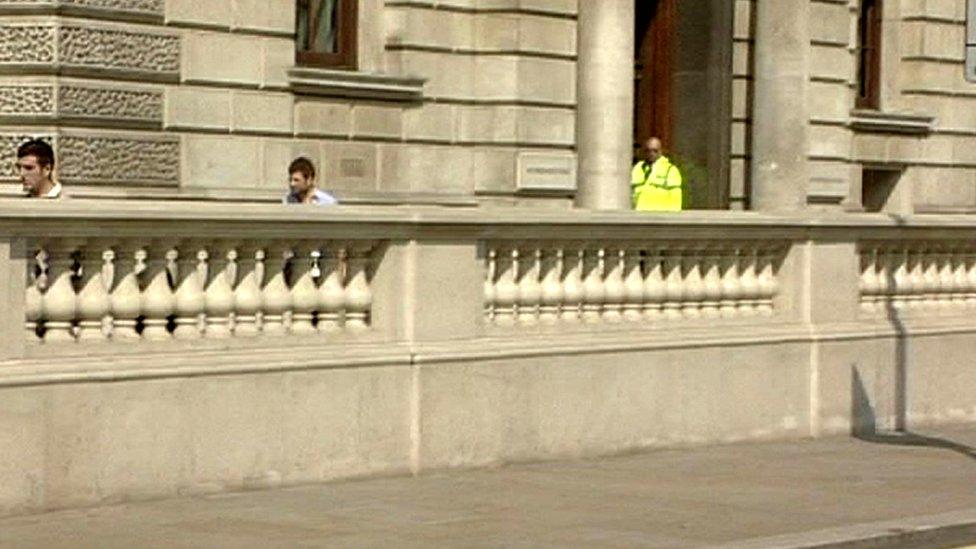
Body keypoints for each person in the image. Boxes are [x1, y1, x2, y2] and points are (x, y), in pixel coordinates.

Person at [631, 137, 682, 212]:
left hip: (661, 217)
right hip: (641, 216)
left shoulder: (670, 170)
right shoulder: (638, 168)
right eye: (647, 150)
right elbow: (632, 194)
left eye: (655, 151)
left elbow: (676, 199)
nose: (651, 153)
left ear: (661, 151)